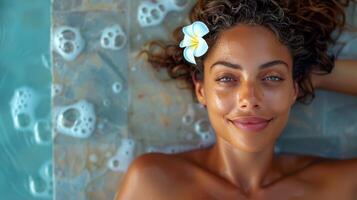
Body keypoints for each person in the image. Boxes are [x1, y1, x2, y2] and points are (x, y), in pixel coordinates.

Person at [116, 0, 357, 199]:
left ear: (294, 90)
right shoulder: (155, 184)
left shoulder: (338, 186)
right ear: (201, 90)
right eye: (227, 78)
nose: (249, 99)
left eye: (272, 77)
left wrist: (319, 76)